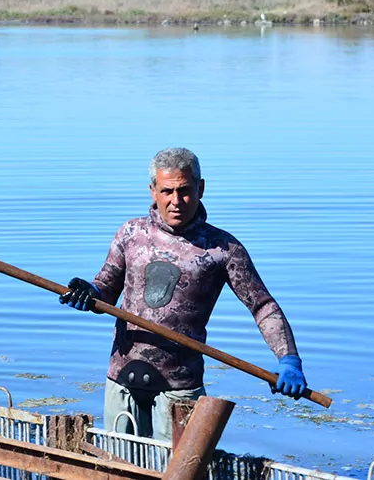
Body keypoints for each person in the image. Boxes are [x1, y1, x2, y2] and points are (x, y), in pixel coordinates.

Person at [60, 147, 307, 440]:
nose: (176, 201)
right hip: (121, 383)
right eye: (167, 191)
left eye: (185, 191)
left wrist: (288, 359)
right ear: (153, 191)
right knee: (119, 469)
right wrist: (90, 292)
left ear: (201, 188)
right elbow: (107, 288)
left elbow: (262, 306)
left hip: (179, 391)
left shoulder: (222, 249)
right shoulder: (131, 234)